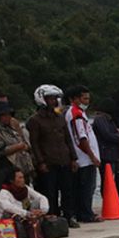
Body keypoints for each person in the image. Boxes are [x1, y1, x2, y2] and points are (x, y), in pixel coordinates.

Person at [27, 84, 78, 227]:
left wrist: (73, 158)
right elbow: (34, 143)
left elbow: (68, 139)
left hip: (64, 159)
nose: (54, 101)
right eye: (50, 98)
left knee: (67, 190)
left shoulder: (60, 118)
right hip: (48, 162)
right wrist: (40, 162)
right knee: (50, 192)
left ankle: (68, 217)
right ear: (42, 99)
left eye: (55, 98)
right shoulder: (35, 120)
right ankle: (53, 218)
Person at [0, 101, 33, 212]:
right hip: (4, 169)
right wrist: (17, 147)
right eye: (4, 115)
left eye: (9, 114)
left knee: (23, 195)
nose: (8, 117)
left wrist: (24, 147)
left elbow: (25, 144)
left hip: (20, 168)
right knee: (2, 198)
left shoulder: (12, 129)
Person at [65, 85, 101, 223]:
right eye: (84, 98)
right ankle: (85, 214)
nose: (87, 101)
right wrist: (92, 156)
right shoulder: (76, 114)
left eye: (88, 98)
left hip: (86, 158)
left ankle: (83, 211)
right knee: (86, 187)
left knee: (85, 187)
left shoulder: (80, 112)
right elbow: (81, 138)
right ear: (75, 99)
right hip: (84, 159)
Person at [92, 101, 119, 209]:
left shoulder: (108, 119)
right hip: (106, 153)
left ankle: (112, 202)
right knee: (107, 179)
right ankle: (108, 203)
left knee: (112, 178)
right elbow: (106, 134)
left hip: (111, 153)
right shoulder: (101, 119)